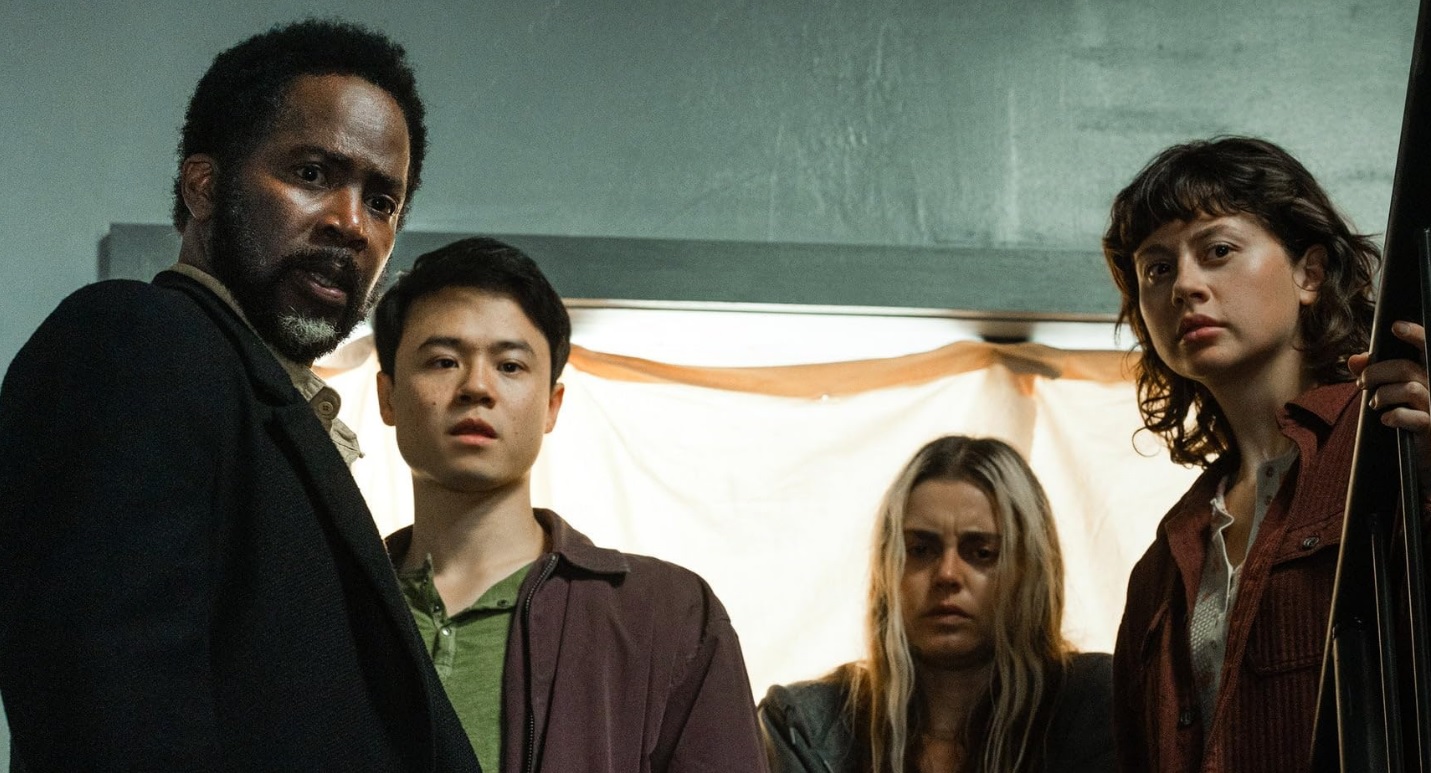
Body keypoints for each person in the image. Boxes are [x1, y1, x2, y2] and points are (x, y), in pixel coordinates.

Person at [0, 20, 479, 771]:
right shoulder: (139, 342)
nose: (351, 224)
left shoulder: (270, 407)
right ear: (204, 185)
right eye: (312, 174)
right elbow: (111, 719)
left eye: (382, 201)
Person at [372, 236, 770, 772]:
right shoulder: (331, 608)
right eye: (443, 361)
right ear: (389, 397)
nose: (477, 387)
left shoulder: (669, 615)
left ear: (551, 405)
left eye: (510, 366)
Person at [1103, 136, 1430, 771]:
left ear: (1309, 273)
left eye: (1218, 251)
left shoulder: (1390, 444)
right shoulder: (1164, 562)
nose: (1185, 286)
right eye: (1157, 268)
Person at [759, 435, 1114, 773]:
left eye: (982, 552)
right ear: (887, 568)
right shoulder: (807, 725)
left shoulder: (1092, 704)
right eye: (920, 550)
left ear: (1030, 570)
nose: (947, 574)